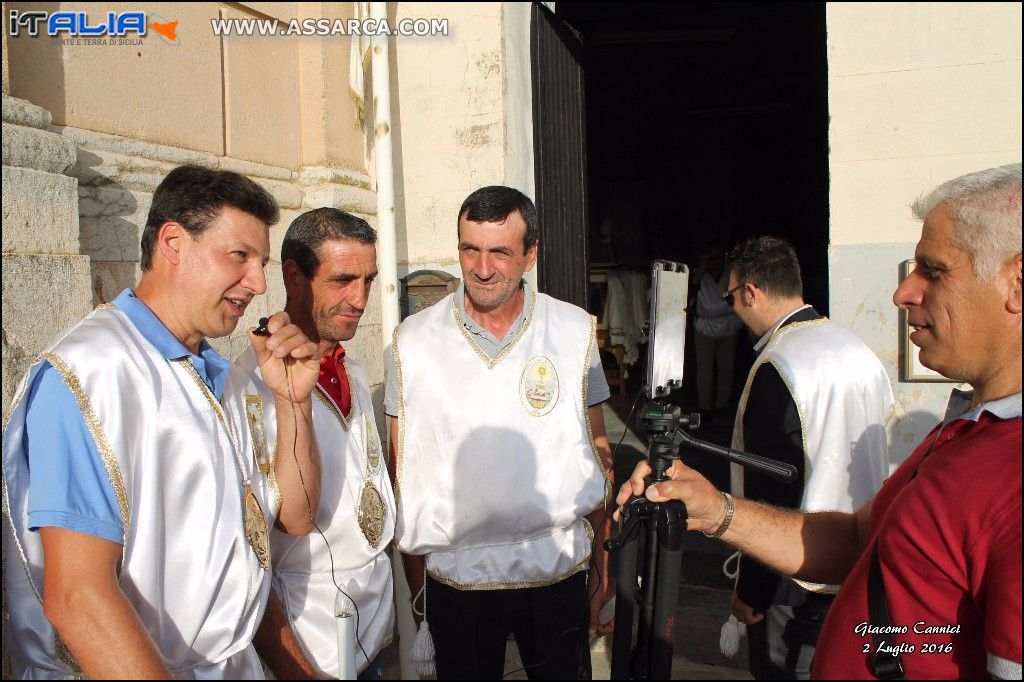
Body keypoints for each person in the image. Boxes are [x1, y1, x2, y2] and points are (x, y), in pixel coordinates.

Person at [618, 163, 1022, 679]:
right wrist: (712, 507)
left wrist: (750, 590)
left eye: (934, 270)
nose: (904, 292)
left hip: (792, 598)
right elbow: (859, 537)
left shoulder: (779, 363)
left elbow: (777, 476)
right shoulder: (960, 418)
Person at [2, 164, 322, 679]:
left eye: (261, 261)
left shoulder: (227, 377)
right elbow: (77, 593)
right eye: (239, 256)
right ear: (173, 242)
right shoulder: (93, 373)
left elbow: (289, 523)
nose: (259, 283)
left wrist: (293, 403)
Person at [385, 185, 615, 679]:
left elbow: (599, 463)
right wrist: (419, 591)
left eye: (500, 252)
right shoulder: (414, 342)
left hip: (558, 572)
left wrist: (603, 575)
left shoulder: (573, 332)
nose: (482, 268)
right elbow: (405, 473)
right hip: (456, 582)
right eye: (471, 249)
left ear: (530, 255)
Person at [718, 236, 893, 679]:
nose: (735, 311)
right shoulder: (858, 350)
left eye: (731, 297)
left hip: (794, 575)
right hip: (863, 560)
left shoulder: (781, 364)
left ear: (750, 292)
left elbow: (772, 487)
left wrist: (751, 592)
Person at [244, 208, 395, 680]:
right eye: (343, 280)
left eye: (369, 280)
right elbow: (251, 556)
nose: (360, 298)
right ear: (294, 277)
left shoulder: (354, 370)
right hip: (307, 640)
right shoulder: (250, 387)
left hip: (371, 629)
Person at [690, 243, 743, 420]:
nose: (715, 262)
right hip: (705, 327)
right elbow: (691, 289)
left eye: (718, 258)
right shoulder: (700, 274)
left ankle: (721, 404)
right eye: (711, 258)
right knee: (704, 369)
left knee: (726, 368)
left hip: (728, 326)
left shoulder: (731, 274)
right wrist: (702, 268)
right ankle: (704, 406)